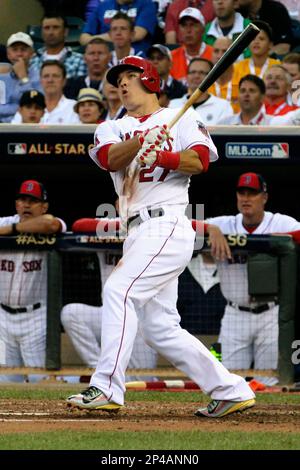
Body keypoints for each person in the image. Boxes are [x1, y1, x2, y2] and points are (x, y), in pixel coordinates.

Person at [66, 55, 255, 418]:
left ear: (150, 79)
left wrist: (164, 155)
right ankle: (230, 389)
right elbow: (108, 159)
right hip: (134, 230)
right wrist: (140, 143)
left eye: (130, 76)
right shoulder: (110, 127)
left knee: (118, 290)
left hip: (166, 224)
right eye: (118, 79)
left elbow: (199, 161)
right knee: (159, 328)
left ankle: (106, 386)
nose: (122, 83)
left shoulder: (180, 116)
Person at [207, 172, 300, 370]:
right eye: (242, 192)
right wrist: (208, 229)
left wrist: (282, 238)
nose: (246, 198)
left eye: (253, 193)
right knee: (228, 380)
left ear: (264, 197)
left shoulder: (280, 222)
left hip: (271, 314)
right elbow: (182, 226)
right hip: (235, 314)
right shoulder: (222, 224)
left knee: (270, 383)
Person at [61, 217, 158, 380]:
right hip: (109, 314)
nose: (127, 202)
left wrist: (135, 226)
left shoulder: (152, 226)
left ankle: (107, 378)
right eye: (122, 199)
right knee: (71, 313)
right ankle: (97, 369)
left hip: (140, 317)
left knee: (142, 380)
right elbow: (79, 225)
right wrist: (123, 225)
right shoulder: (108, 225)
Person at [0, 180, 67, 381]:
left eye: (33, 201)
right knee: (6, 383)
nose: (27, 205)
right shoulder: (4, 221)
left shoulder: (48, 223)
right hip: (2, 317)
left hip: (36, 317)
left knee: (40, 380)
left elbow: (50, 224)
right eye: (22, 200)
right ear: (16, 204)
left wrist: (13, 231)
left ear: (44, 206)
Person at [169, 58, 234, 125]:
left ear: (211, 78)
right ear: (187, 76)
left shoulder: (223, 106)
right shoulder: (172, 105)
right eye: (193, 72)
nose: (196, 76)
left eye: (202, 72)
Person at [80, 0, 157, 55]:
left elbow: (138, 34)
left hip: (136, 55)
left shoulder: (147, 4)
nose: (118, 33)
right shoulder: (103, 6)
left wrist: (94, 39)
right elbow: (83, 39)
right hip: (104, 57)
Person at [29, 13, 86, 79]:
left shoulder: (79, 61)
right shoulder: (32, 61)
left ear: (65, 32)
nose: (51, 32)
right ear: (41, 32)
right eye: (47, 28)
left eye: (55, 27)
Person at [0, 32, 42, 123]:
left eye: (23, 50)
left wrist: (24, 78)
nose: (19, 54)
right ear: (8, 54)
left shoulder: (40, 77)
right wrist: (21, 110)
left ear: (31, 53)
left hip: (30, 127)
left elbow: (36, 106)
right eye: (15, 50)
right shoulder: (1, 79)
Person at [170, 8, 214, 83]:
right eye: (184, 25)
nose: (188, 30)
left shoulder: (215, 55)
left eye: (193, 25)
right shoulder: (171, 58)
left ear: (203, 29)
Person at [40, 60, 80, 124]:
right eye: (46, 76)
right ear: (40, 81)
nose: (50, 80)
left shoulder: (75, 108)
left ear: (64, 81)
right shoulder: (29, 108)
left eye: (55, 76)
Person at [208, 37, 240, 112]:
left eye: (225, 51)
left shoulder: (244, 77)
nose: (220, 56)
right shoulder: (203, 80)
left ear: (234, 54)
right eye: (216, 51)